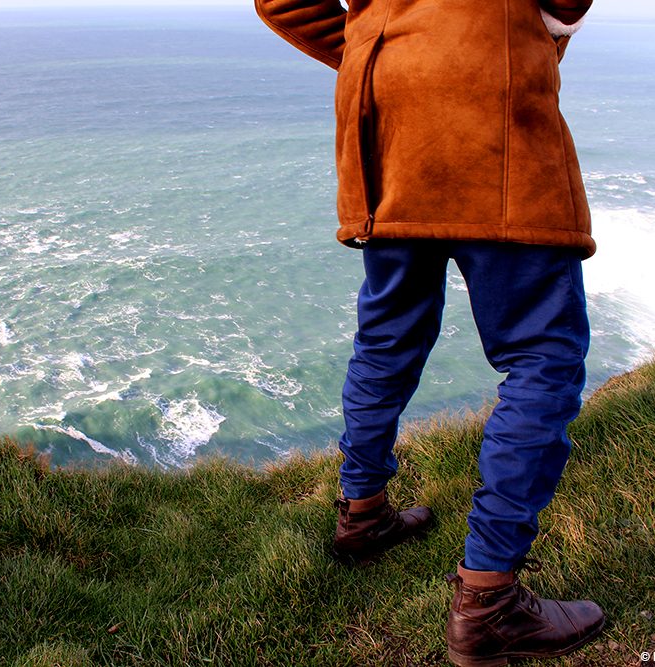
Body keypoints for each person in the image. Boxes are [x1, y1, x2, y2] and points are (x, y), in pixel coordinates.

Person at [253, 0, 606, 665]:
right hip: (489, 94)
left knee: (387, 333)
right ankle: (488, 604)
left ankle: (362, 515)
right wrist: (537, 37)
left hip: (383, 113)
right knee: (542, 356)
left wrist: (376, 48)